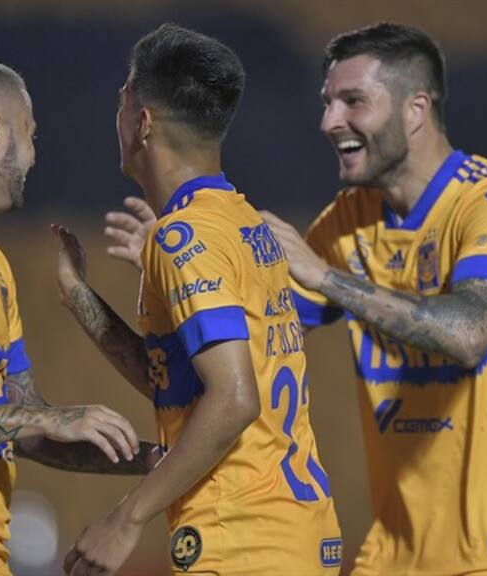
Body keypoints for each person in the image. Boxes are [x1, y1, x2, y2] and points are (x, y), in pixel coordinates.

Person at [106, 22, 487, 575]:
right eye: (327, 102)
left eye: (353, 101)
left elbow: (468, 334)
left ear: (416, 109)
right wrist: (193, 260)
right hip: (394, 556)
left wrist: (327, 279)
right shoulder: (347, 224)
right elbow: (253, 350)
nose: (330, 121)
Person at [57, 24, 341, 575]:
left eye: (122, 99)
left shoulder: (184, 237)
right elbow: (180, 388)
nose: (115, 114)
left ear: (141, 123)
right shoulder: (243, 223)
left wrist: (127, 518)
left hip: (243, 543)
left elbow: (235, 399)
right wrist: (80, 298)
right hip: (294, 535)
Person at [0, 56, 153, 576]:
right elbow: (32, 420)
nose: (32, 157)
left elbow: (24, 429)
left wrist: (151, 461)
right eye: (30, 137)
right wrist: (44, 417)